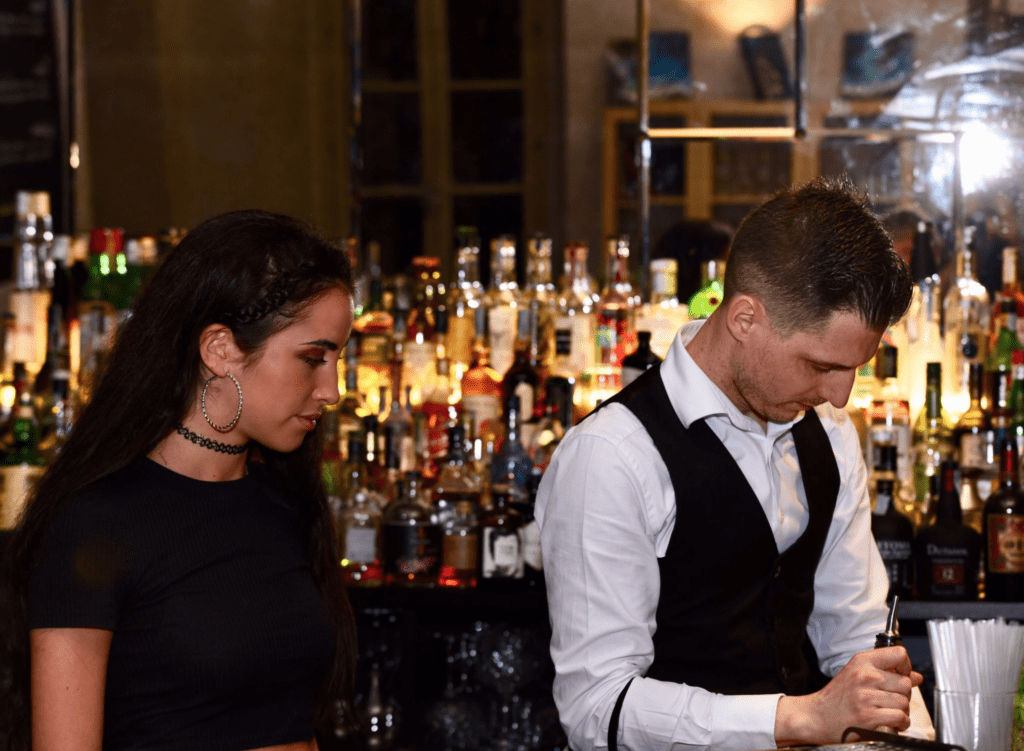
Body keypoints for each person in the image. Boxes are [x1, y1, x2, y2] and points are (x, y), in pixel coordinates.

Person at [536, 177, 935, 750]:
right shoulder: (611, 456)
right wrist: (796, 718)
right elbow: (599, 709)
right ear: (744, 319)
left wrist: (916, 736)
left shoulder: (832, 437)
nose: (842, 395)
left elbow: (858, 637)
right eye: (822, 365)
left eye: (854, 368)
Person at [0, 210, 358, 751]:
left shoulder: (281, 506)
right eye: (313, 358)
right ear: (220, 350)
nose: (331, 389)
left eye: (337, 359)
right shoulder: (96, 522)